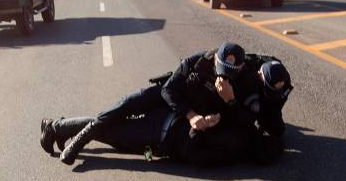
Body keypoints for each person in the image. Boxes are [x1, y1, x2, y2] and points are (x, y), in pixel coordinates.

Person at [40, 43, 291, 167]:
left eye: (229, 75)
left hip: (171, 125)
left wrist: (229, 102)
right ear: (215, 60)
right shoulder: (198, 62)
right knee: (117, 111)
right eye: (220, 72)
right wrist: (192, 116)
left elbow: (246, 122)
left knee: (117, 134)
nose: (222, 79)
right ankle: (66, 133)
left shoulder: (244, 82)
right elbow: (168, 89)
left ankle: (56, 128)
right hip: (166, 99)